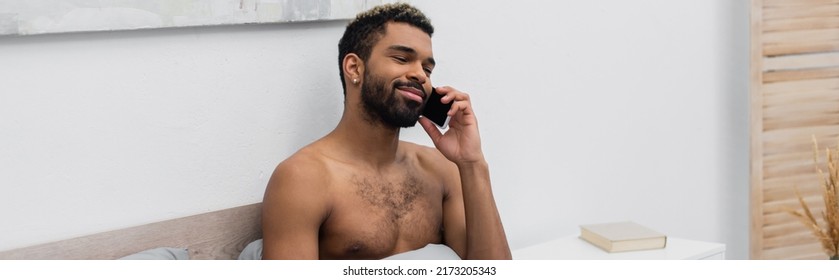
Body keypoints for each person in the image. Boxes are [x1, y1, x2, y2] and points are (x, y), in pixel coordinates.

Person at [261, 3, 511, 260]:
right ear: (355, 68)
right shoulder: (303, 178)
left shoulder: (440, 168)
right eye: (402, 59)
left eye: (427, 69)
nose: (420, 76)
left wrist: (472, 163)